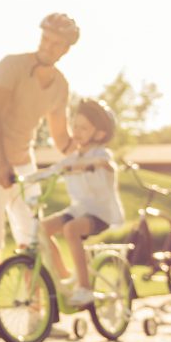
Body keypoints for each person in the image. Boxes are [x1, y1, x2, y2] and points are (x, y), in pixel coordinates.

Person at [0, 13, 79, 338]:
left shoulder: (60, 85)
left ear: (66, 50)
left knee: (33, 238)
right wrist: (1, 164)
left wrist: (88, 150)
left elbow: (61, 138)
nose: (48, 46)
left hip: (23, 162)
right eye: (45, 38)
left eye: (56, 43)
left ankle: (36, 316)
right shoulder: (11, 66)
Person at [42, 98, 125, 306]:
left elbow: (106, 164)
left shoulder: (101, 154)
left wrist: (89, 164)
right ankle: (65, 275)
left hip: (100, 214)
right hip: (79, 210)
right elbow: (54, 169)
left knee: (71, 229)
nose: (76, 132)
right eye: (75, 126)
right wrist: (28, 178)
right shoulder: (74, 156)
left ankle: (85, 288)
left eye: (83, 128)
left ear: (100, 134)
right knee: (41, 229)